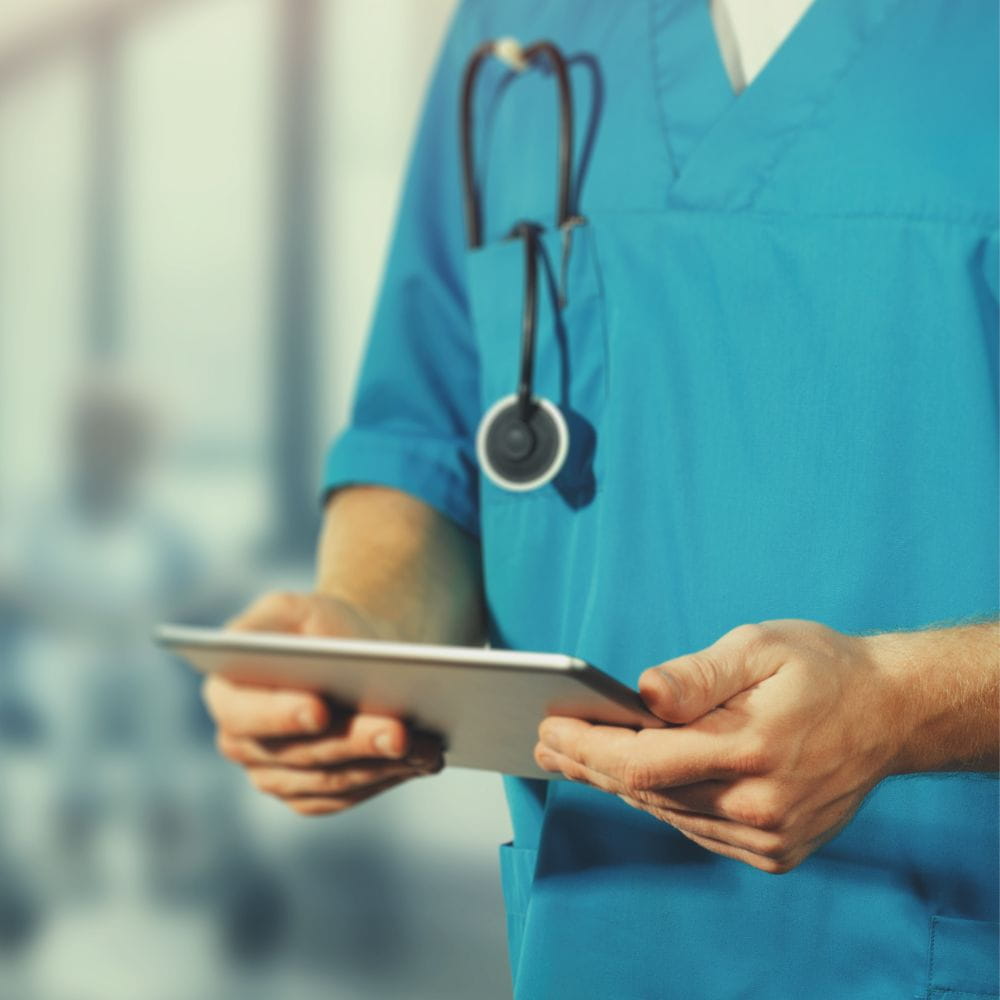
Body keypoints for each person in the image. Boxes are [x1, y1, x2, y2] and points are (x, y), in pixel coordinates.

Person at [204, 1, 999, 997]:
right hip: (594, 947)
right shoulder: (515, 28)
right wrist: (359, 637)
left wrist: (906, 707)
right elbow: (430, 448)